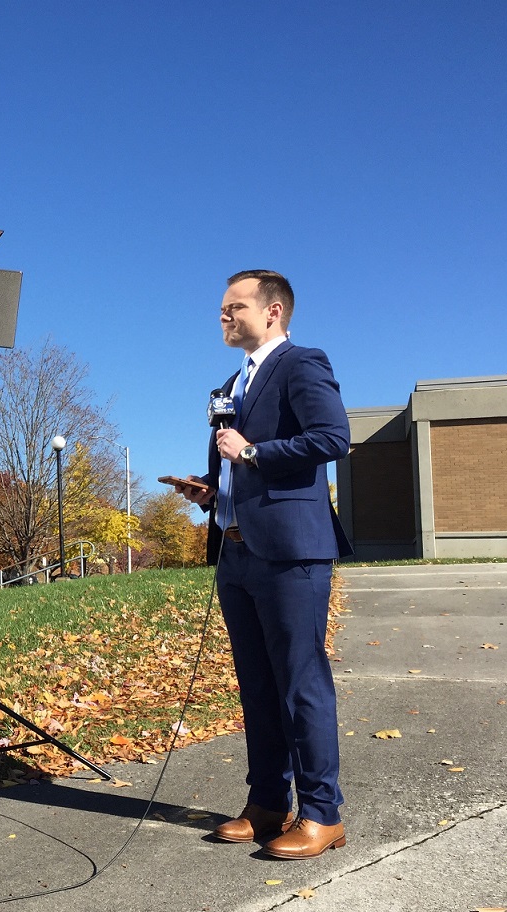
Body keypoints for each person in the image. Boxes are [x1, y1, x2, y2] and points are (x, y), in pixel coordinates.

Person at [172, 270, 352, 860]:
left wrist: (252, 451)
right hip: (236, 552)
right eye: (221, 308)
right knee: (256, 685)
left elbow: (332, 438)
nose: (223, 316)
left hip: (292, 552)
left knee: (300, 682)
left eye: (234, 307)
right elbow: (234, 471)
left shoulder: (303, 364)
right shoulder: (228, 385)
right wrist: (209, 492)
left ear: (273, 311)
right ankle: (268, 803)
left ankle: (322, 814)